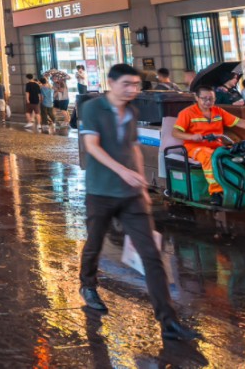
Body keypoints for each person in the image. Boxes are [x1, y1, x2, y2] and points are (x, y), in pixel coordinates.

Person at [77, 63, 199, 341]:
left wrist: (142, 183)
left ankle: (168, 321)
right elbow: (92, 146)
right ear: (111, 83)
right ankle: (88, 284)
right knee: (94, 242)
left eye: (135, 85)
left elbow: (133, 147)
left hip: (131, 195)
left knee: (151, 255)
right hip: (101, 191)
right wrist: (122, 171)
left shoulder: (131, 111)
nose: (132, 90)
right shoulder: (93, 108)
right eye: (126, 84)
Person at [171, 85, 245, 205]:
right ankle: (216, 192)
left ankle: (242, 186)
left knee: (238, 154)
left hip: (216, 146)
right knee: (210, 157)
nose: (208, 101)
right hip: (195, 148)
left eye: (211, 99)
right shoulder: (187, 113)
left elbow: (238, 122)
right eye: (204, 98)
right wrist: (192, 137)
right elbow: (175, 132)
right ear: (197, 98)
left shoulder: (218, 111)